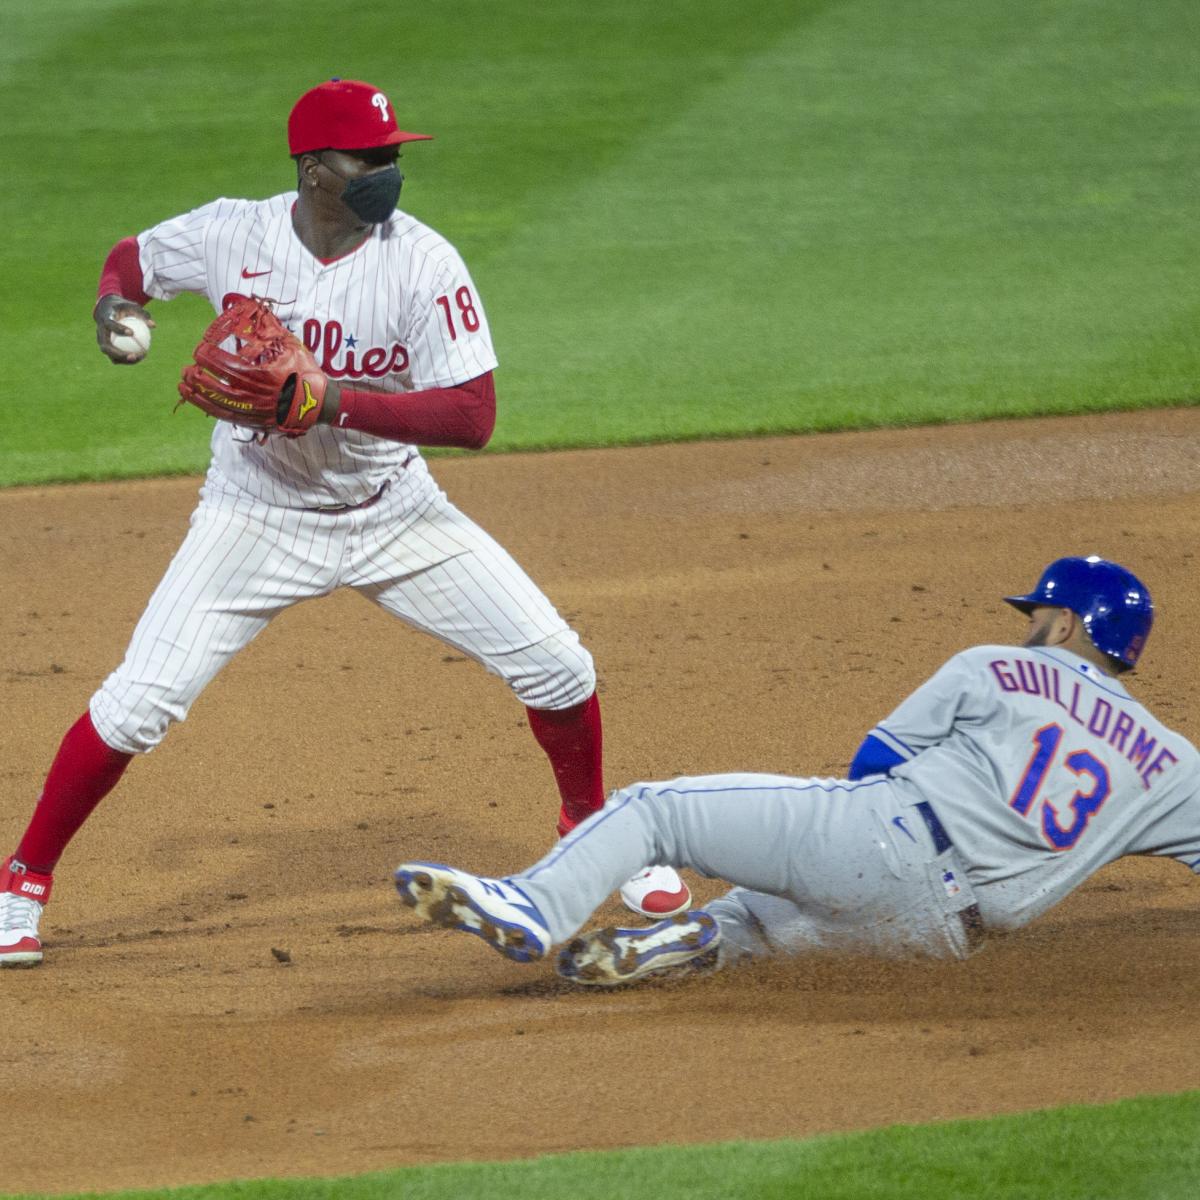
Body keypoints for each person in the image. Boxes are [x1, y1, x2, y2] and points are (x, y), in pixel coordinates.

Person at [0, 78, 688, 969]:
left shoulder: (424, 262)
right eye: (372, 158)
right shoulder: (230, 233)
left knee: (560, 668)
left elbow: (473, 416)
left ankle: (590, 828)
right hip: (255, 515)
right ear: (314, 169)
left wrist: (331, 403)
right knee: (138, 704)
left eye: (395, 156)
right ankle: (21, 883)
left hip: (395, 511)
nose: (390, 171)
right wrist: (113, 307)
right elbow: (133, 258)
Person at [392, 555, 1200, 986]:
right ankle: (698, 937)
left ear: (1064, 625)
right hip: (945, 939)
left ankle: (532, 906)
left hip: (882, 842)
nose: (1029, 628)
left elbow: (874, 763)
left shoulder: (996, 665)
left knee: (653, 812)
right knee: (776, 922)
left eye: (1038, 616)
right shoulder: (1172, 765)